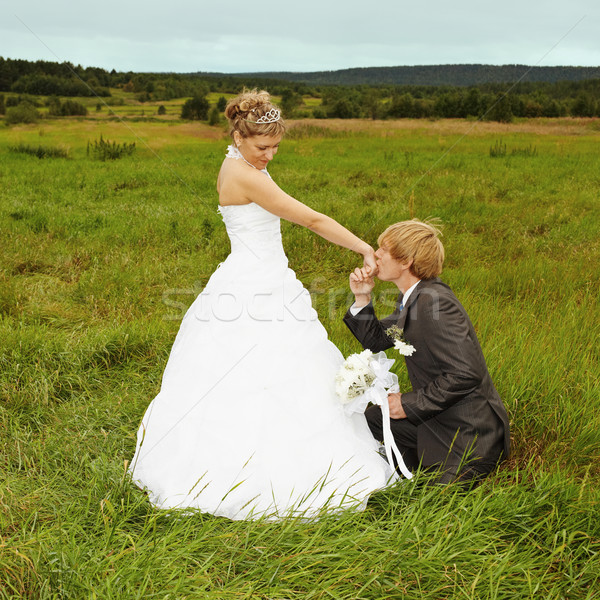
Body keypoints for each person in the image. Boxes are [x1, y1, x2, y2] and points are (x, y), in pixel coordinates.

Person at [129, 90, 397, 520]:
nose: (269, 155)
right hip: (253, 285)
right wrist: (365, 248)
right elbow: (311, 219)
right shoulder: (245, 175)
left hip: (266, 276)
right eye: (262, 147)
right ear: (237, 135)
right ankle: (250, 470)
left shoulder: (240, 162)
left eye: (275, 147)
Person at [343, 220, 510, 484]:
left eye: (383, 249)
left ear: (406, 260)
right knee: (369, 419)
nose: (376, 255)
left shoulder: (436, 303)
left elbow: (467, 374)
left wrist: (408, 404)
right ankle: (395, 462)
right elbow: (376, 340)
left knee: (433, 498)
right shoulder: (414, 297)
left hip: (467, 437)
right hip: (438, 419)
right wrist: (362, 298)